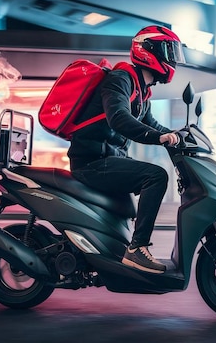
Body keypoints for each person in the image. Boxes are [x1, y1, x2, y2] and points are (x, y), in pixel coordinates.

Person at [67, 25, 185, 274]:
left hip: (109, 159)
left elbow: (151, 124)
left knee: (134, 202)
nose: (172, 59)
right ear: (149, 51)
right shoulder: (120, 79)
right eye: (168, 51)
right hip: (92, 162)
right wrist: (160, 138)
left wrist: (181, 135)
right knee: (155, 176)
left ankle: (121, 249)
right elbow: (118, 118)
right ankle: (137, 249)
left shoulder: (142, 90)